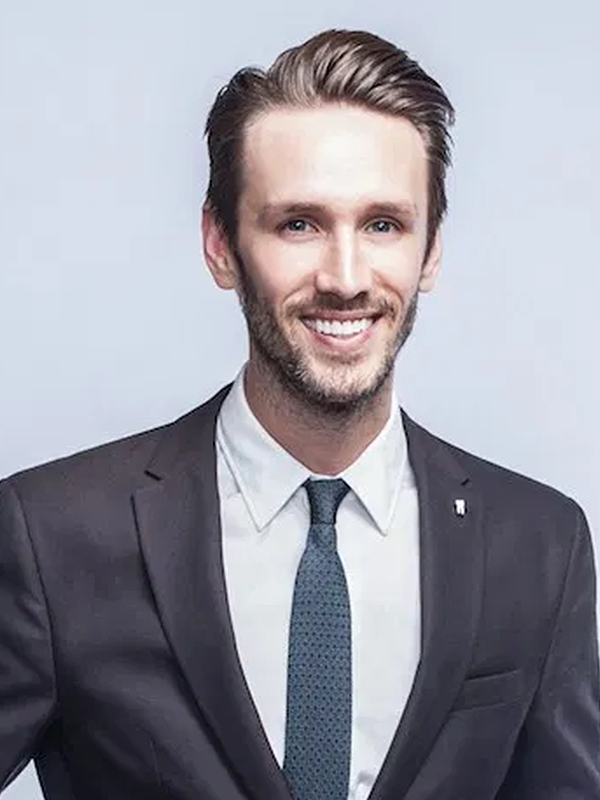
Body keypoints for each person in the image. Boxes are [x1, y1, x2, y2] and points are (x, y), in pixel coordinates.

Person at [0, 27, 598, 800]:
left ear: (430, 251)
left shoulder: (539, 544)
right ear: (221, 244)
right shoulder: (52, 536)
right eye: (299, 224)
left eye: (383, 224)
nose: (345, 278)